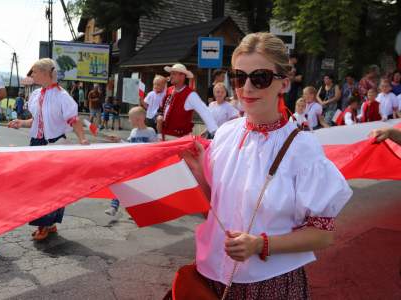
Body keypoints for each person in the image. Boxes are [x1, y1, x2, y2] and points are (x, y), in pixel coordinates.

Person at [183, 32, 352, 299]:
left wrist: (261, 244)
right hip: (214, 276)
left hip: (270, 284)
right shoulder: (225, 134)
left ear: (283, 83)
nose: (246, 88)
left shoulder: (302, 148)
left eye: (259, 78)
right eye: (239, 77)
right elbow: (216, 211)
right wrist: (199, 175)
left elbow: (322, 235)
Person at [8, 58, 89, 241]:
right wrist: (21, 123)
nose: (32, 75)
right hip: (36, 143)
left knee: (51, 186)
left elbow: (73, 120)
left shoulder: (62, 96)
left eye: (34, 72)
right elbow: (36, 120)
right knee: (37, 186)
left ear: (45, 73)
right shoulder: (36, 94)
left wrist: (82, 139)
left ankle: (45, 224)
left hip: (55, 144)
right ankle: (48, 223)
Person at [104, 106, 157, 217]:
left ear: (138, 119)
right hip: (132, 165)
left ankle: (136, 211)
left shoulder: (150, 132)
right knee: (120, 183)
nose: (129, 120)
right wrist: (118, 140)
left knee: (138, 189)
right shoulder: (133, 132)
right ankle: (114, 207)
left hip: (143, 167)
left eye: (130, 118)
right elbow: (129, 146)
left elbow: (155, 148)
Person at [156, 63, 218, 140]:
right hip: (163, 136)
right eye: (171, 74)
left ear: (182, 76)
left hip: (179, 139)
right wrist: (159, 115)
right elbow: (161, 108)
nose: (170, 76)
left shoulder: (190, 95)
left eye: (174, 74)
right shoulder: (169, 90)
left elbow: (204, 112)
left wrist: (215, 133)